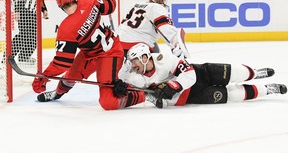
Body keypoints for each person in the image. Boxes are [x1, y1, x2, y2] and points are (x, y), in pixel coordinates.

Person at [33, 0, 146, 110]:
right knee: (71, 76)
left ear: (59, 5)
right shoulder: (87, 0)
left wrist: (43, 76)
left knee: (108, 102)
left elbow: (62, 63)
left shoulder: (66, 28)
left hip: (109, 54)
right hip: (94, 52)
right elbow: (110, 4)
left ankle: (143, 94)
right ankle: (56, 94)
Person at [119, 43, 287, 108]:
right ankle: (267, 89)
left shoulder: (165, 59)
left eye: (134, 61)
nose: (132, 65)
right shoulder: (135, 77)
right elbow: (157, 101)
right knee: (233, 95)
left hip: (201, 74)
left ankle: (256, 73)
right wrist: (158, 99)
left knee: (236, 72)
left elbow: (189, 74)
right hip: (192, 96)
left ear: (144, 57)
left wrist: (173, 86)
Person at [116, 0, 188, 59]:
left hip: (117, 43)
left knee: (154, 47)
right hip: (135, 47)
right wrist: (177, 45)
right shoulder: (157, 8)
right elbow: (166, 28)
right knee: (156, 65)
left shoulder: (136, 5)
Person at [10, 0, 49, 64]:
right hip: (23, 11)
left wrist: (44, 10)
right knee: (23, 35)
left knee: (34, 37)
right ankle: (9, 56)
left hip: (33, 13)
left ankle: (24, 57)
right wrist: (17, 10)